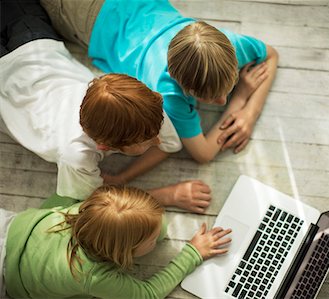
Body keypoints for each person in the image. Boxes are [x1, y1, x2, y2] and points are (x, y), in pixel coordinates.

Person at [0, 0, 212, 213]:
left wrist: (123, 177)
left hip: (38, 42)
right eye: (147, 141)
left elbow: (168, 145)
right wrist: (168, 195)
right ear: (104, 146)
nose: (157, 139)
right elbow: (94, 205)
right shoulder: (76, 154)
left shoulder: (141, 111)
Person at [41, 0, 279, 165]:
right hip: (88, 18)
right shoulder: (168, 92)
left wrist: (251, 111)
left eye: (230, 88)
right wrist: (240, 99)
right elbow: (203, 153)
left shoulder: (231, 45)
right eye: (210, 97)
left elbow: (271, 54)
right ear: (183, 87)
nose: (222, 101)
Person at [2, 185, 232, 298]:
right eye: (150, 240)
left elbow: (146, 220)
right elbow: (147, 295)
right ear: (122, 252)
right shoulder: (93, 275)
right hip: (9, 277)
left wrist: (152, 220)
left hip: (13, 227)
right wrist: (192, 253)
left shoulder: (86, 211)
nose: (158, 237)